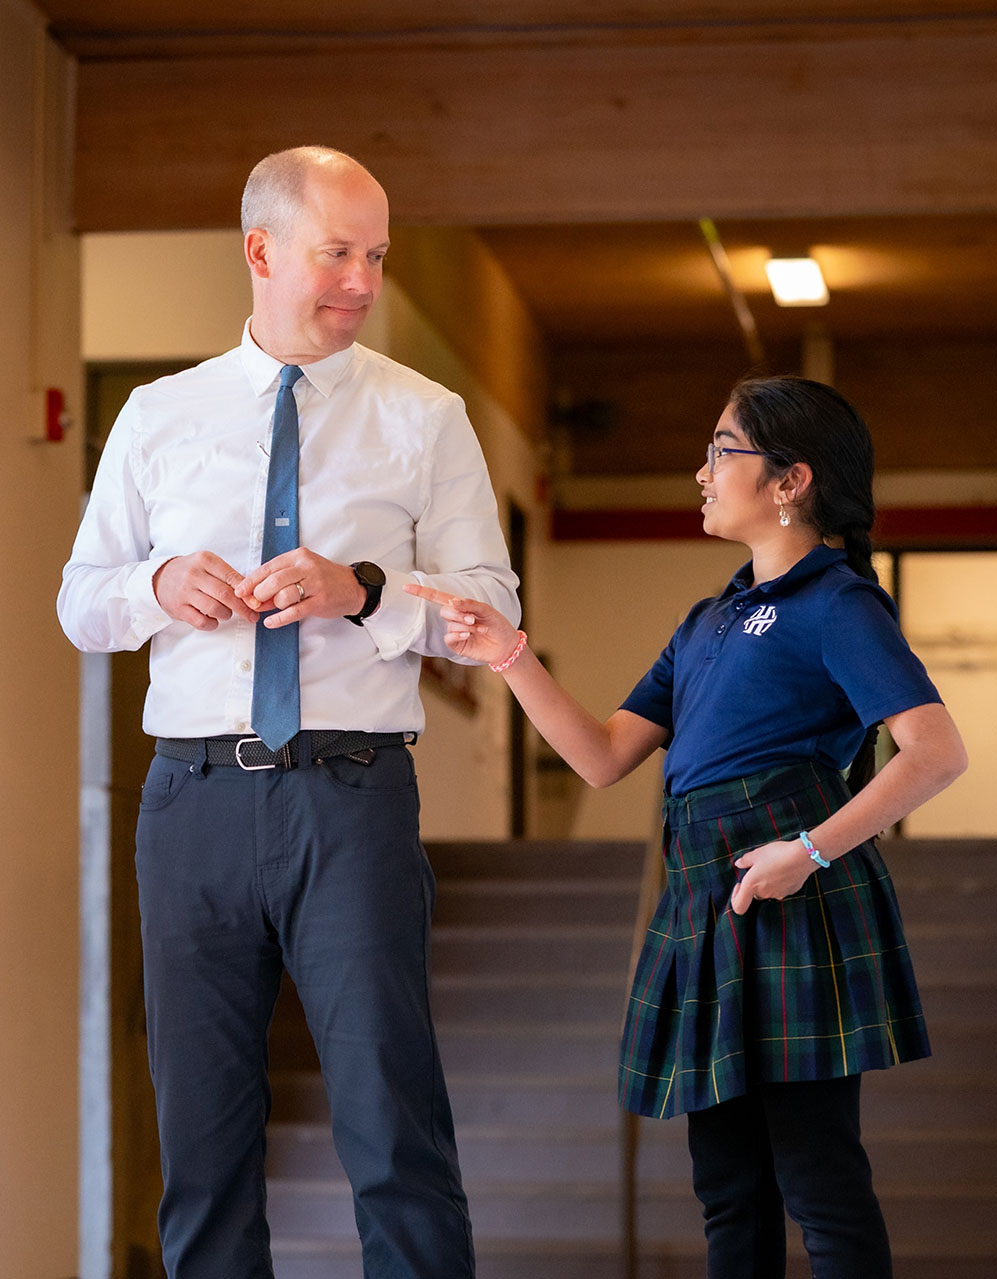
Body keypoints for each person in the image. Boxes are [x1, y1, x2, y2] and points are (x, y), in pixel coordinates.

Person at [58, 145, 520, 1279]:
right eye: (338, 254)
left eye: (376, 256)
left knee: (390, 1125)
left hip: (351, 795)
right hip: (192, 801)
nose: (362, 281)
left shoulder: (426, 416)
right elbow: (81, 599)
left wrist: (362, 587)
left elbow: (493, 607)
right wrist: (156, 586)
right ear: (262, 252)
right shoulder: (160, 416)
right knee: (201, 1137)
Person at [405, 375, 967, 1279]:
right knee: (728, 1190)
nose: (700, 471)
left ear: (790, 482)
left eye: (721, 450)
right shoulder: (707, 619)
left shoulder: (840, 602)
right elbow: (601, 755)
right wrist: (507, 652)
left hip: (794, 896)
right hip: (706, 899)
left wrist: (812, 849)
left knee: (820, 1181)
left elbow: (936, 751)